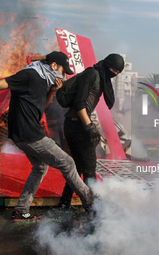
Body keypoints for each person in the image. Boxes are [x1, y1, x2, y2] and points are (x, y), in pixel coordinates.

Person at [0, 51, 94, 221]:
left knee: (40, 167)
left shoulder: (44, 81)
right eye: (62, 70)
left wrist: (52, 91)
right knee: (68, 162)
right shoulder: (29, 75)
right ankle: (90, 202)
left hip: (25, 134)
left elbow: (39, 110)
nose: (63, 75)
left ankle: (21, 210)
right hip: (29, 135)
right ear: (53, 66)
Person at [58, 53, 124, 208]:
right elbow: (80, 104)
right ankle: (92, 207)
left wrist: (89, 126)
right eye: (113, 69)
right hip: (77, 125)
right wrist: (89, 127)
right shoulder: (91, 74)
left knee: (79, 166)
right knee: (89, 167)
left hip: (76, 124)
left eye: (118, 72)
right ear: (107, 64)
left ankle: (64, 202)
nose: (114, 73)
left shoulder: (101, 78)